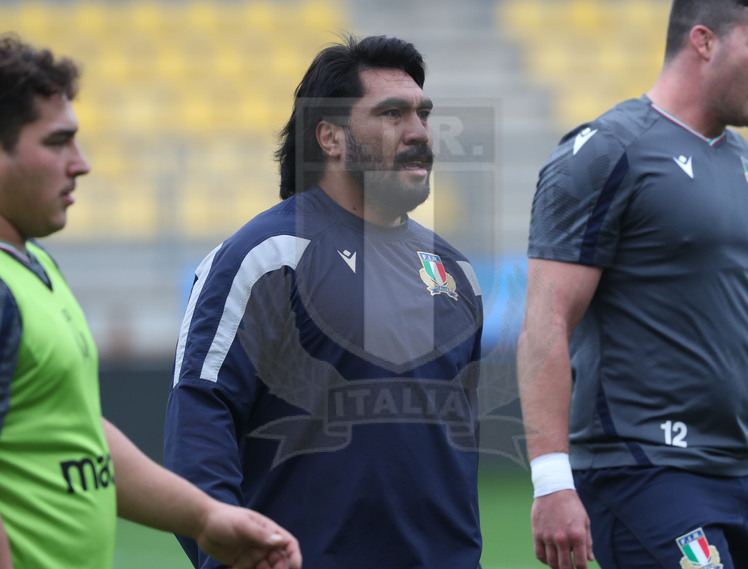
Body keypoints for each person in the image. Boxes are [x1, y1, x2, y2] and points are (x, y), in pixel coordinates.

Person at [163, 35, 484, 569]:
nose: (419, 132)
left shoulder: (456, 273)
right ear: (330, 138)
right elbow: (199, 421)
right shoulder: (267, 257)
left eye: (423, 114)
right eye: (392, 114)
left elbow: (458, 447)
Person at [0, 35, 301, 569]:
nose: (81, 164)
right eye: (57, 142)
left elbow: (80, 439)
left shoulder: (32, 264)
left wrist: (205, 517)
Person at [517, 1, 748, 568]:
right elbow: (547, 321)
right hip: (643, 470)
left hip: (742, 476)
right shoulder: (605, 151)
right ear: (704, 42)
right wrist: (551, 481)